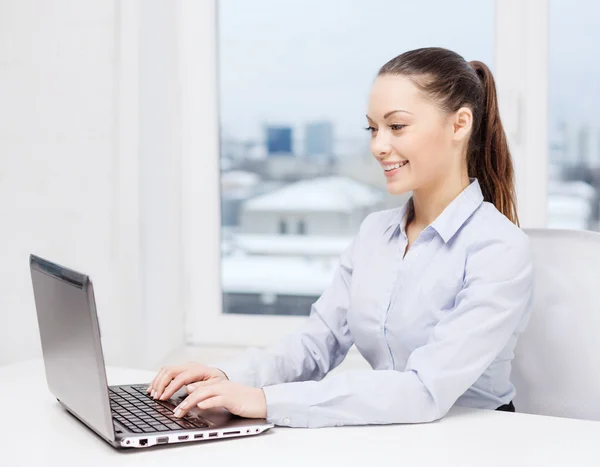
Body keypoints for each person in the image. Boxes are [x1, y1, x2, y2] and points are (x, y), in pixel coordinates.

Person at [147, 47, 534, 428]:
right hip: (391, 434)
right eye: (373, 128)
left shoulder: (498, 248)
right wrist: (224, 377)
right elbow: (317, 343)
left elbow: (423, 392)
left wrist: (266, 400)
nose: (378, 146)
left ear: (459, 124)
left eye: (396, 126)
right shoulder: (375, 233)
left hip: (477, 440)